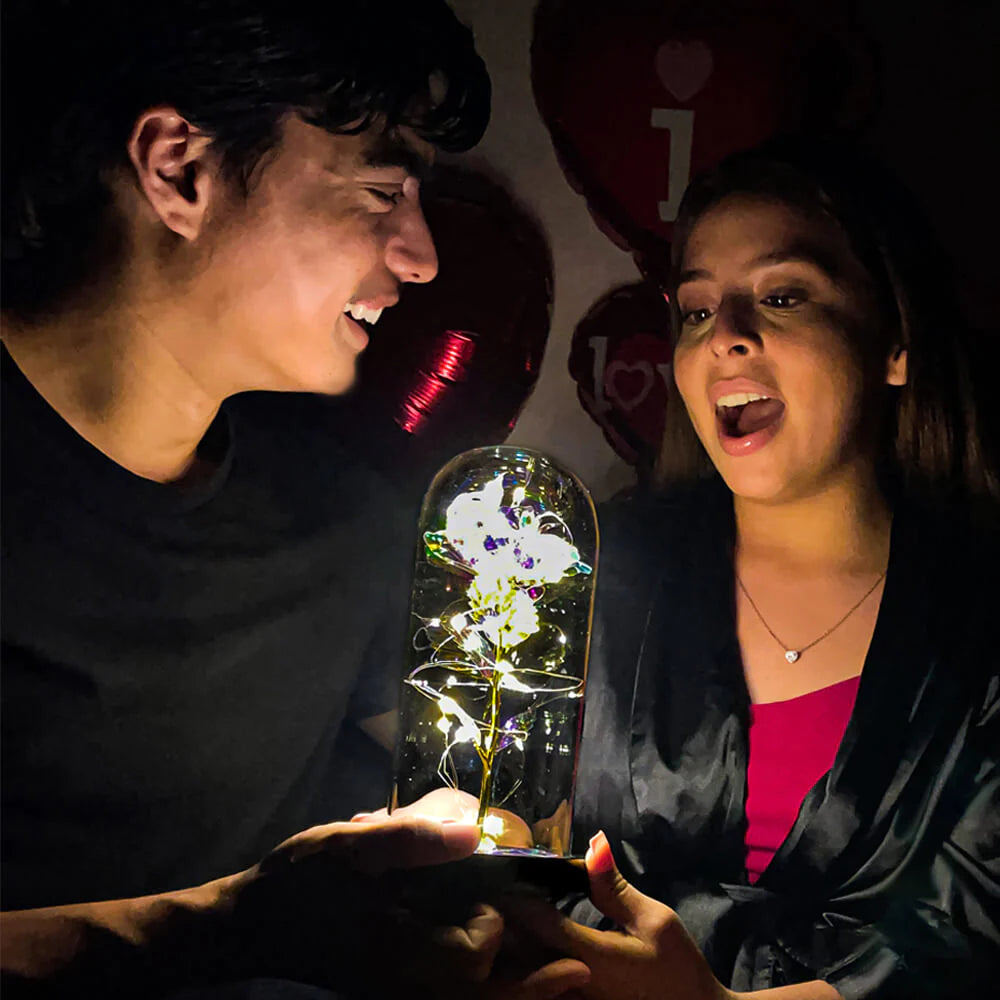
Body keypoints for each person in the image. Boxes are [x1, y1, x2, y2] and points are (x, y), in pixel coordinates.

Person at [0, 1, 591, 996]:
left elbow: (486, 815)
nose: (421, 254)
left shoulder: (342, 521)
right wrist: (229, 930)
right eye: (382, 189)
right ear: (180, 169)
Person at [502, 140, 999, 998]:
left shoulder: (980, 628)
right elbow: (509, 840)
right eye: (696, 311)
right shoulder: (588, 577)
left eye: (782, 296)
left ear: (894, 341)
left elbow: (967, 941)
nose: (726, 336)